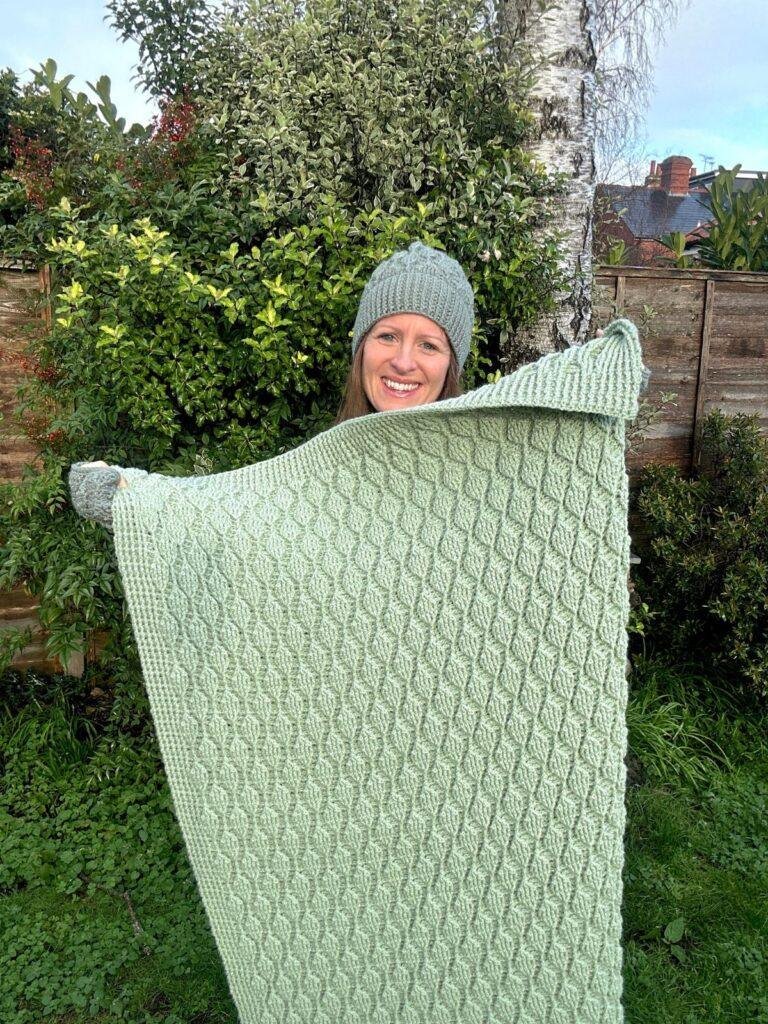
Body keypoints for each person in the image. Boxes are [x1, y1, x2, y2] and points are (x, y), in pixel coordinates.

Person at [68, 240, 475, 529]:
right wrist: (128, 495)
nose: (403, 362)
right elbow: (226, 515)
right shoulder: (316, 476)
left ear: (452, 365)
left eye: (429, 345)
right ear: (361, 349)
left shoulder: (484, 482)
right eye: (387, 336)